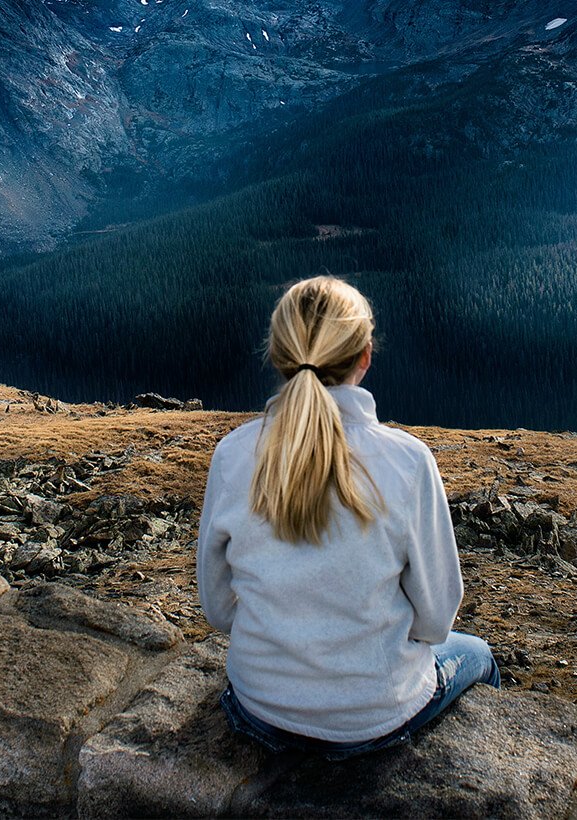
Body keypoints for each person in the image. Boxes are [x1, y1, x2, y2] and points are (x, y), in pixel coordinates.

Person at [195, 275, 499, 761]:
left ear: (278, 354)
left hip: (259, 705)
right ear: (365, 356)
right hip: (374, 715)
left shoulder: (233, 456)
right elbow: (437, 619)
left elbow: (218, 609)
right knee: (479, 654)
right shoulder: (407, 461)